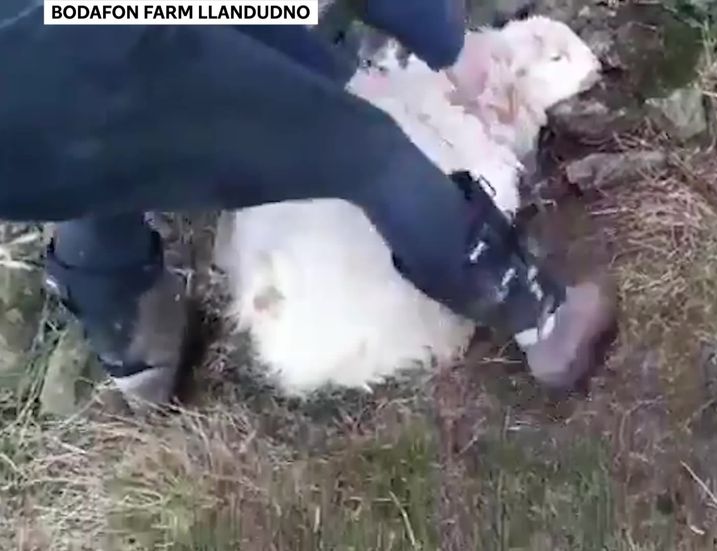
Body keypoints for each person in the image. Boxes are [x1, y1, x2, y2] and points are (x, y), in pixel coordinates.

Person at [0, 0, 617, 410]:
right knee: (372, 150)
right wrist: (450, 48)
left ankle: (133, 344)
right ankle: (541, 318)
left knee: (98, 150)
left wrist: (339, 75)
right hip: (90, 41)